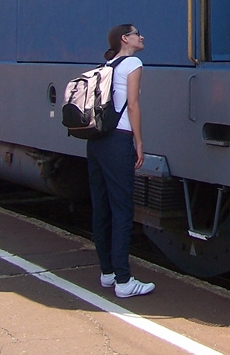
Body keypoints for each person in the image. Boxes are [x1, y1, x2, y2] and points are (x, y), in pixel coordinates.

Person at [87, 24, 155, 298]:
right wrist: (139, 142)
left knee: (101, 207)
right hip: (118, 141)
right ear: (125, 39)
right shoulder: (133, 63)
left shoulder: (107, 64)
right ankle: (124, 282)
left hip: (97, 141)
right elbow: (134, 104)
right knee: (122, 209)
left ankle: (107, 273)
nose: (142, 36)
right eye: (138, 33)